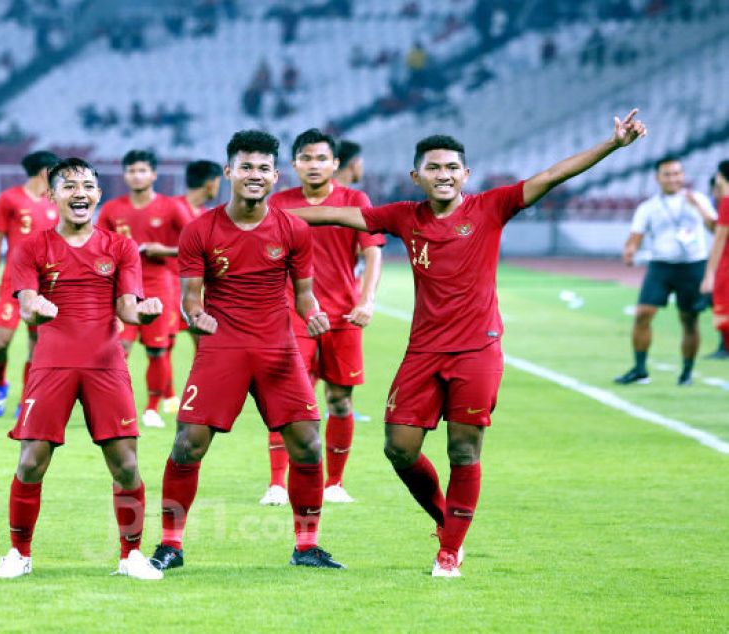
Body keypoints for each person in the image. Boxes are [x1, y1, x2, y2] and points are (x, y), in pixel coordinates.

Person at [284, 110, 647, 577]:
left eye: (452, 167)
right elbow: (332, 212)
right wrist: (247, 212)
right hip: (423, 351)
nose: (444, 174)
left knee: (463, 451)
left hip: (478, 351)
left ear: (466, 174)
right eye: (434, 167)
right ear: (417, 176)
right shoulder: (401, 216)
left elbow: (554, 175)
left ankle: (449, 551)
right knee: (399, 447)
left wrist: (612, 144)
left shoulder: (490, 207)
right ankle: (445, 518)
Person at [149, 129, 345, 572]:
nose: (254, 175)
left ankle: (307, 546)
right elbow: (191, 297)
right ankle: (170, 545)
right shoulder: (200, 229)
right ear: (228, 173)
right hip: (224, 347)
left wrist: (314, 314)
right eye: (245, 168)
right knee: (187, 445)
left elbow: (305, 295)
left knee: (309, 447)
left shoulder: (294, 229)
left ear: (276, 175)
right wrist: (196, 315)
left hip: (278, 347)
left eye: (262, 169)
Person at [0, 158, 164, 581]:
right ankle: (18, 554)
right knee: (31, 462)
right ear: (53, 196)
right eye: (69, 186)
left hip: (106, 364)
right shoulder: (32, 246)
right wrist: (37, 307)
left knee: (125, 465)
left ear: (98, 194)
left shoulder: (120, 248)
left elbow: (127, 311)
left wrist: (146, 312)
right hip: (51, 363)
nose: (79, 192)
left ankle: (131, 556)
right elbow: (26, 306)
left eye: (87, 185)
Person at [260, 129, 385, 507]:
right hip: (293, 315)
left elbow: (373, 252)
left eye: (321, 159)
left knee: (340, 401)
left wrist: (368, 300)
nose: (314, 165)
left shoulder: (354, 200)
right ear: (294, 165)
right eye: (306, 159)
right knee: (290, 400)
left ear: (335, 164)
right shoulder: (277, 203)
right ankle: (277, 484)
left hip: (343, 315)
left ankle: (335, 483)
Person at [97, 150, 189, 429]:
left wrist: (164, 250)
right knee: (118, 348)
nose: (136, 175)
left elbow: (194, 245)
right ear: (125, 175)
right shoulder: (112, 208)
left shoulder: (171, 207)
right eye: (131, 170)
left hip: (159, 284)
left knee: (157, 350)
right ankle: (115, 405)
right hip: (124, 285)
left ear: (153, 175)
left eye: (142, 170)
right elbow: (97, 244)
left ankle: (151, 409)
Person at [616, 156, 717, 386]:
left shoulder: (698, 199)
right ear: (658, 178)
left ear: (683, 176)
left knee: (689, 319)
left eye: (677, 173)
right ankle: (640, 369)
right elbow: (635, 236)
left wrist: (700, 208)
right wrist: (630, 250)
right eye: (668, 174)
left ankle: (686, 373)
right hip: (661, 265)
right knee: (643, 314)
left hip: (693, 265)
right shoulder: (649, 207)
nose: (673, 178)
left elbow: (715, 227)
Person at [0, 151, 61, 418]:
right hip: (12, 281)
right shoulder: (9, 199)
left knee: (36, 343)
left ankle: (26, 398)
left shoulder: (56, 202)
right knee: (0, 342)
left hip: (45, 284)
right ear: (45, 171)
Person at [169, 160, 223, 353]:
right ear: (211, 183)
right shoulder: (174, 207)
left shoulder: (201, 213)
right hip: (170, 288)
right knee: (161, 350)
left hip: (193, 288)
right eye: (218, 182)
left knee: (206, 347)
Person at [700, 161, 729, 359]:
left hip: (726, 267)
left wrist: (709, 275)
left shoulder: (727, 202)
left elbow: (719, 241)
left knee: (724, 321)